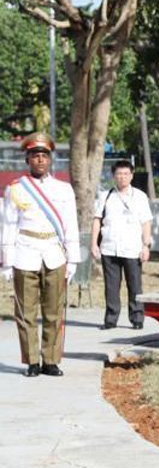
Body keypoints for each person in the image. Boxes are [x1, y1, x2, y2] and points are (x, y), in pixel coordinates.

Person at [1, 133, 80, 377]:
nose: (40, 160)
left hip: (54, 254)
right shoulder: (15, 189)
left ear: (50, 159)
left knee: (54, 310)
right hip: (25, 252)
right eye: (35, 155)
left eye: (44, 155)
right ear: (28, 159)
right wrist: (6, 262)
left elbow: (70, 224)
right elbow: (8, 225)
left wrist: (74, 258)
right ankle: (32, 361)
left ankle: (51, 360)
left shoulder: (63, 189)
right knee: (26, 312)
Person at [91, 160, 154, 330]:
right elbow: (97, 220)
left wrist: (146, 245)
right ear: (113, 176)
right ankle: (110, 319)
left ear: (132, 175)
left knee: (135, 285)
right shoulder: (105, 196)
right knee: (111, 286)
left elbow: (146, 222)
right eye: (119, 174)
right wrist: (93, 244)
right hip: (109, 247)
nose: (122, 177)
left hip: (132, 248)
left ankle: (137, 318)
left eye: (126, 174)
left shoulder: (140, 196)